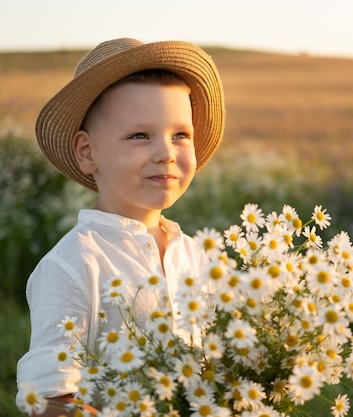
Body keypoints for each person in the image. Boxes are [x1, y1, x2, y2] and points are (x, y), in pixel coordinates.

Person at [16, 37, 225, 416]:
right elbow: (48, 398)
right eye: (139, 136)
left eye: (180, 134)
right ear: (87, 152)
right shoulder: (73, 264)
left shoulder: (198, 256)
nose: (165, 152)